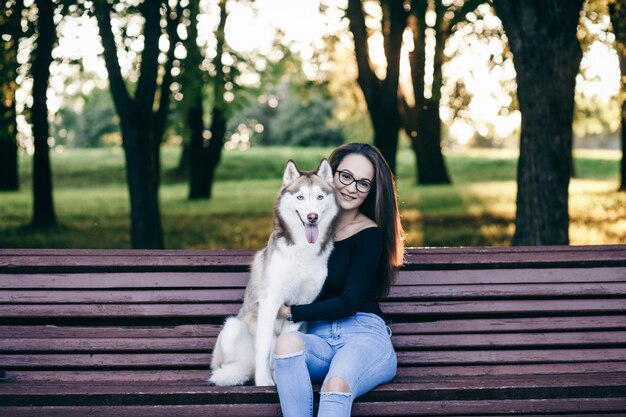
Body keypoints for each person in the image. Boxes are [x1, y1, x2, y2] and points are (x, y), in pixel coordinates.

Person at [274, 142, 405, 417]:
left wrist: (290, 312)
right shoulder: (307, 225)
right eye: (345, 176)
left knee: (335, 384)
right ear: (330, 174)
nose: (351, 188)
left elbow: (349, 302)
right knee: (286, 345)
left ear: (371, 191)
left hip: (364, 337)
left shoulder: (369, 236)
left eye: (363, 183)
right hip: (320, 338)